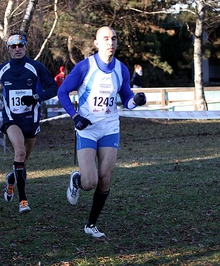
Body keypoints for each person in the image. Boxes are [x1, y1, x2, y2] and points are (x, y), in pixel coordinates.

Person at [57, 26, 147, 238]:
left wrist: (137, 101)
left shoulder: (122, 69)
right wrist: (75, 116)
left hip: (110, 128)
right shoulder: (84, 67)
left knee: (105, 177)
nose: (111, 42)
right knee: (91, 182)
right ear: (97, 43)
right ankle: (78, 180)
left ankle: (91, 224)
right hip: (87, 129)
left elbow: (127, 100)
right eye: (105, 39)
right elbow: (62, 92)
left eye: (114, 38)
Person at [0, 30, 59, 214]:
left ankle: (11, 179)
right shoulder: (2, 69)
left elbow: (53, 88)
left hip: (32, 120)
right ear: (8, 49)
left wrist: (36, 97)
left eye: (21, 45)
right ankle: (23, 201)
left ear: (26, 47)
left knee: (23, 161)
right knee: (19, 152)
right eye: (13, 46)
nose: (17, 49)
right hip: (11, 119)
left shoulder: (35, 67)